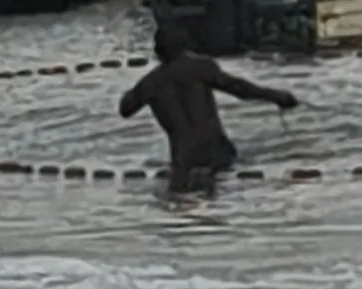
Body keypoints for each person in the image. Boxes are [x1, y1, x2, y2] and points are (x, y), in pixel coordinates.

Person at [119, 11, 297, 192]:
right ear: (185, 45)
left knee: (180, 200)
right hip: (216, 152)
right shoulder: (201, 67)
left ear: (157, 51)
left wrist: (134, 91)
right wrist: (277, 96)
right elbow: (240, 89)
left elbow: (125, 110)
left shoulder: (150, 83)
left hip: (184, 160)